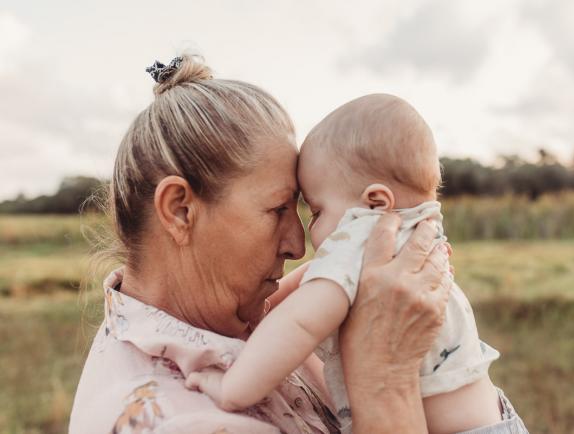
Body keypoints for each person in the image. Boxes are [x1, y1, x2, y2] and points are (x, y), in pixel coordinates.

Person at [69, 55, 454, 434]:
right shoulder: (175, 421)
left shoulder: (246, 322)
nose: (297, 246)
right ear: (181, 210)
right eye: (277, 209)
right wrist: (386, 378)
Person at [185, 94, 525, 434]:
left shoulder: (363, 232)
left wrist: (232, 388)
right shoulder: (414, 234)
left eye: (316, 212)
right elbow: (305, 286)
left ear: (374, 203)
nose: (307, 236)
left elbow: (297, 323)